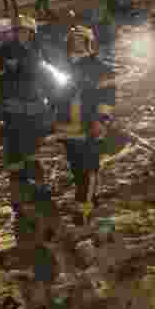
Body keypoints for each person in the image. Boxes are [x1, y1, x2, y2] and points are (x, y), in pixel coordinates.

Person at [0, 15, 54, 220]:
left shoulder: (38, 52)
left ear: (32, 33)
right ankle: (18, 198)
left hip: (35, 113)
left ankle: (40, 189)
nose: (20, 35)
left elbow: (48, 79)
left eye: (24, 31)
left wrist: (55, 106)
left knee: (33, 153)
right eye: (17, 31)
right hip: (12, 115)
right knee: (14, 157)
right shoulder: (2, 53)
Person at [53, 25, 119, 224]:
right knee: (77, 169)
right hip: (67, 130)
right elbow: (56, 97)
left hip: (90, 128)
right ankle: (89, 196)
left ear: (90, 43)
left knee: (89, 168)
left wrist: (102, 120)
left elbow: (108, 98)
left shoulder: (101, 69)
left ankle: (84, 209)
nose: (78, 44)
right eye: (74, 41)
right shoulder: (62, 67)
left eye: (82, 40)